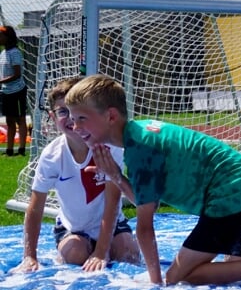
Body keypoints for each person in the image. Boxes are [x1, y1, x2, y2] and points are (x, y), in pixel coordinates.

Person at [64, 75, 241, 287]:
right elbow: (147, 203)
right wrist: (117, 177)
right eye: (73, 120)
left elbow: (145, 227)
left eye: (82, 119)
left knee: (181, 277)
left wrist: (157, 284)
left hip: (232, 195)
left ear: (110, 116)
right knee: (235, 273)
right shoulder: (138, 134)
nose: (75, 128)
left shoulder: (140, 149)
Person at [14, 77, 141, 273]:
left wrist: (101, 251)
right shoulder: (52, 156)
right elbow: (35, 207)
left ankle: (99, 248)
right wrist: (29, 256)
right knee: (75, 254)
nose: (72, 119)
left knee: (129, 256)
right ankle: (68, 250)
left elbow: (112, 203)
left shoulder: (108, 147)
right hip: (73, 229)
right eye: (63, 112)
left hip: (112, 223)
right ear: (53, 116)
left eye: (77, 113)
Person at [0, 25, 28, 157]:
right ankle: (9, 150)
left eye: (1, 35)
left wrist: (1, 81)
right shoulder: (3, 53)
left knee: (20, 119)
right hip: (6, 92)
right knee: (9, 121)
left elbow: (17, 74)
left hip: (17, 91)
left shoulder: (15, 52)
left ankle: (22, 149)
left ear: (8, 37)